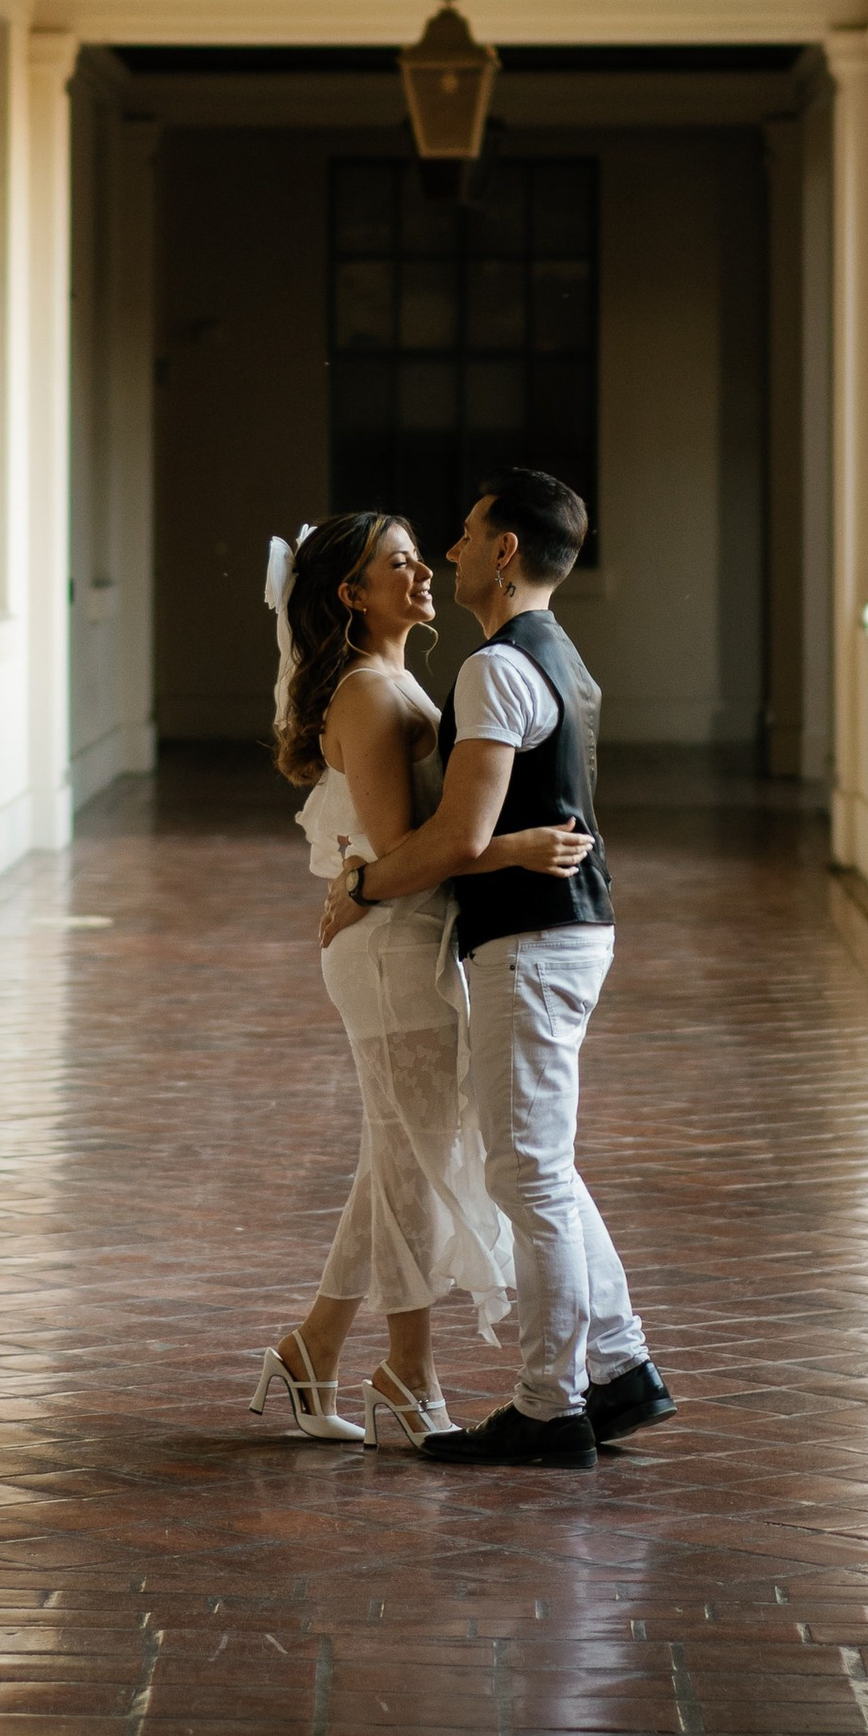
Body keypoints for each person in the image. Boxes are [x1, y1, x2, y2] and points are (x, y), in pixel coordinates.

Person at [321, 469, 674, 1470]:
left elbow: (455, 836)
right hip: (562, 931)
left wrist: (362, 882)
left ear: (505, 552)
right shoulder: (559, 654)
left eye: (469, 534)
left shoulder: (495, 667)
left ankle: (549, 1407)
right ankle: (621, 1370)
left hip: (534, 937)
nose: (450, 551)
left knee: (525, 1173)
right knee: (542, 1165)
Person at [251, 511, 590, 1449]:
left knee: (400, 1151)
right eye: (397, 564)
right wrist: (512, 846)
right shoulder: (366, 692)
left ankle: (314, 1349)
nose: (423, 572)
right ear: (352, 594)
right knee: (414, 1158)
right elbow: (406, 851)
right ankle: (409, 1370)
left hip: (408, 933)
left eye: (417, 557)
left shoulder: (396, 679)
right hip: (391, 945)